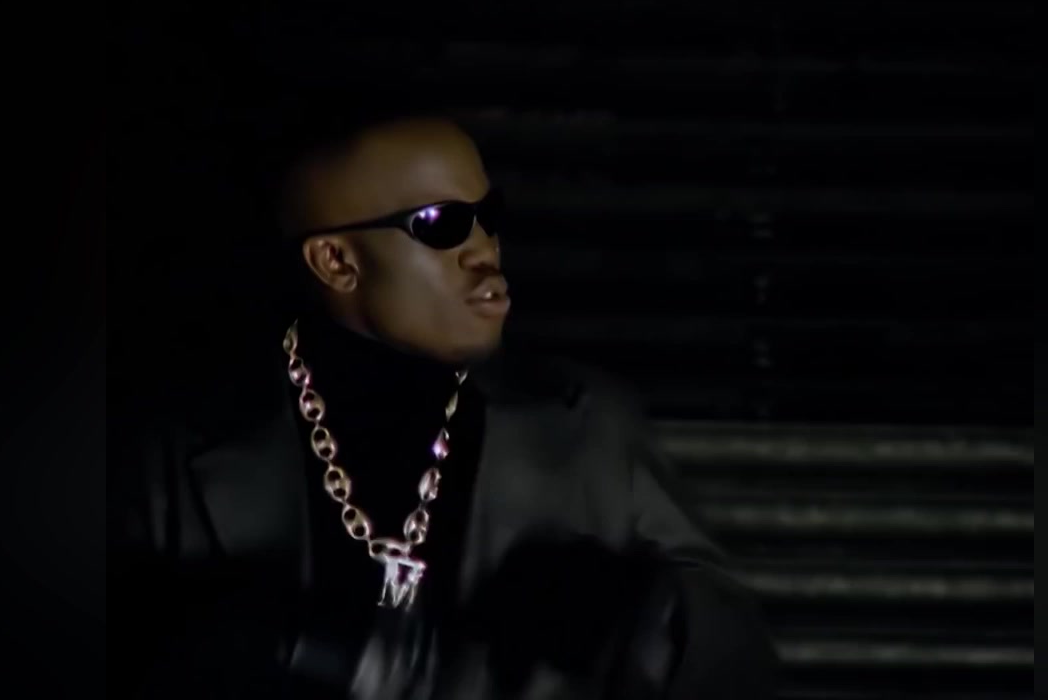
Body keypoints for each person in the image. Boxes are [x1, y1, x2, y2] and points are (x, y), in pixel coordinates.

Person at [110, 103, 775, 699]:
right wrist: (226, 642)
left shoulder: (586, 423)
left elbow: (737, 656)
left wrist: (645, 615)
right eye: (440, 225)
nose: (485, 252)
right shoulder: (177, 442)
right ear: (336, 261)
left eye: (489, 217)